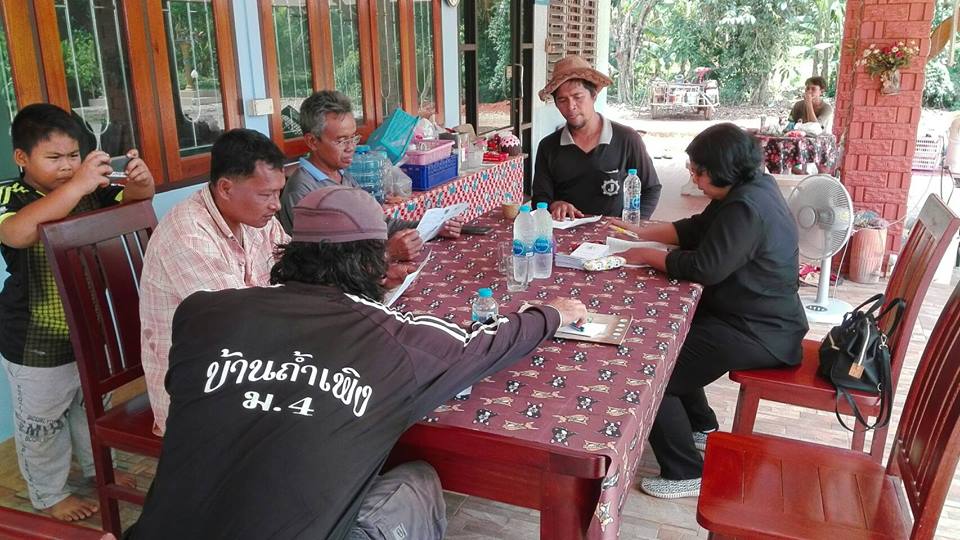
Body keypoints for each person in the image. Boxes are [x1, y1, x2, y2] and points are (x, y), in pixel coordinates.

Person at [127, 185, 587, 540]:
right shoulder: (394, 339)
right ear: (373, 263)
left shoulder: (204, 312)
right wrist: (551, 314)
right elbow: (484, 343)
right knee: (419, 479)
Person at [609, 123, 807, 499]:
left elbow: (705, 267)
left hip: (759, 331)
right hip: (750, 317)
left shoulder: (747, 207)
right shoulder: (749, 188)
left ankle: (685, 471)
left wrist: (646, 255)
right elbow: (698, 229)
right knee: (672, 341)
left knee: (651, 372)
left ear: (724, 170)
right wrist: (639, 232)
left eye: (699, 173)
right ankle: (700, 426)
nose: (694, 179)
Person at [0, 103, 154, 521]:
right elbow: (17, 233)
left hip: (89, 329)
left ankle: (99, 469)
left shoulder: (89, 191)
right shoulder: (10, 196)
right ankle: (49, 494)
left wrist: (141, 181)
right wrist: (79, 184)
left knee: (91, 409)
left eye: (73, 155)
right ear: (22, 157)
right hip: (34, 339)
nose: (67, 166)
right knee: (42, 424)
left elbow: (135, 199)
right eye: (54, 157)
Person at [140, 129, 289, 436]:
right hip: (198, 388)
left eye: (278, 193)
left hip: (245, 361)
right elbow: (239, 326)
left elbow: (294, 266)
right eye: (266, 195)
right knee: (311, 413)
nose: (276, 205)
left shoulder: (258, 219)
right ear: (225, 188)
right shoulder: (188, 236)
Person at [278, 90, 460, 262]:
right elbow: (322, 262)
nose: (351, 147)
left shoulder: (342, 175)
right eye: (341, 140)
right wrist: (388, 253)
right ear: (312, 141)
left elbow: (378, 222)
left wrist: (432, 228)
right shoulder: (302, 191)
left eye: (353, 138)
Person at [532, 54, 661, 220]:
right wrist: (554, 205)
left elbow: (651, 188)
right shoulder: (548, 146)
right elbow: (540, 199)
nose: (571, 106)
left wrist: (634, 224)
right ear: (556, 104)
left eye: (578, 97)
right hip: (564, 231)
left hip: (615, 231)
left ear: (593, 96)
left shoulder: (627, 139)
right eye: (562, 100)